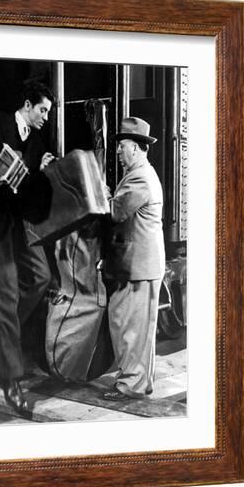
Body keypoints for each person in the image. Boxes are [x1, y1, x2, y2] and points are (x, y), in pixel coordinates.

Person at [0, 81, 56, 416]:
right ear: (28, 104)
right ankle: (12, 380)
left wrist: (42, 172)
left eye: (48, 112)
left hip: (20, 224)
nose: (46, 117)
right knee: (6, 297)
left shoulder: (36, 143)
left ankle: (8, 338)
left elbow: (31, 192)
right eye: (43, 110)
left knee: (41, 278)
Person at [102, 117, 165, 401]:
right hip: (139, 265)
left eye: (122, 146)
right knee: (134, 330)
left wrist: (98, 194)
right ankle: (139, 383)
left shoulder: (140, 177)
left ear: (137, 149)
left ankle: (131, 386)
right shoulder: (140, 173)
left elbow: (115, 213)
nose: (118, 151)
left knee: (132, 331)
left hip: (139, 266)